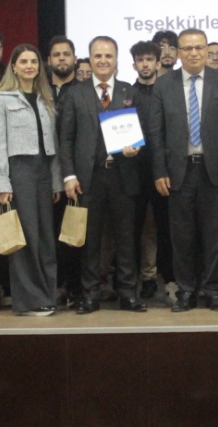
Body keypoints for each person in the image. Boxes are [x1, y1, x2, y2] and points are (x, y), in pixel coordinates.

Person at [142, 27, 218, 312]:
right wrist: (159, 171)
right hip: (178, 172)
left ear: (207, 50)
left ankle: (214, 291)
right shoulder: (165, 84)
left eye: (199, 47)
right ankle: (186, 291)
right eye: (187, 48)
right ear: (177, 52)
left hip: (214, 170)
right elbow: (156, 133)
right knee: (182, 237)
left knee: (214, 236)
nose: (194, 53)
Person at [58, 35, 146, 313]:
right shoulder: (75, 93)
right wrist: (69, 176)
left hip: (123, 175)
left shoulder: (129, 92)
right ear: (90, 59)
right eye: (98, 55)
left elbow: (143, 131)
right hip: (88, 178)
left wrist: (136, 148)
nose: (103, 60)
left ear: (117, 60)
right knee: (89, 239)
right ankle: (90, 294)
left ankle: (128, 293)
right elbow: (66, 139)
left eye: (108, 55)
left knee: (126, 238)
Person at [0, 44, 60, 316]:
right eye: (24, 61)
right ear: (14, 67)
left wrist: (55, 181)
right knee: (26, 236)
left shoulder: (46, 97)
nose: (30, 66)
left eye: (34, 61)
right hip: (19, 171)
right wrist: (2, 182)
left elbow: (53, 145)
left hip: (44, 172)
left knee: (45, 236)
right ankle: (29, 300)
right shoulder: (4, 98)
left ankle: (47, 295)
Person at [130, 40, 172, 298]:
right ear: (134, 64)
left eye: (149, 59)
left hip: (165, 170)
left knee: (165, 226)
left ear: (158, 63)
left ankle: (169, 278)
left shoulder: (168, 91)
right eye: (140, 60)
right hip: (133, 170)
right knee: (134, 228)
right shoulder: (126, 94)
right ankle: (142, 279)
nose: (145, 64)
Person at [44, 35, 81, 305]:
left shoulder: (84, 90)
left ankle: (76, 288)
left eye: (66, 54)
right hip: (44, 174)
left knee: (75, 234)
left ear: (75, 59)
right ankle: (53, 287)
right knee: (50, 235)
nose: (61, 59)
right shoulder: (38, 91)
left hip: (77, 175)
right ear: (49, 60)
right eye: (56, 54)